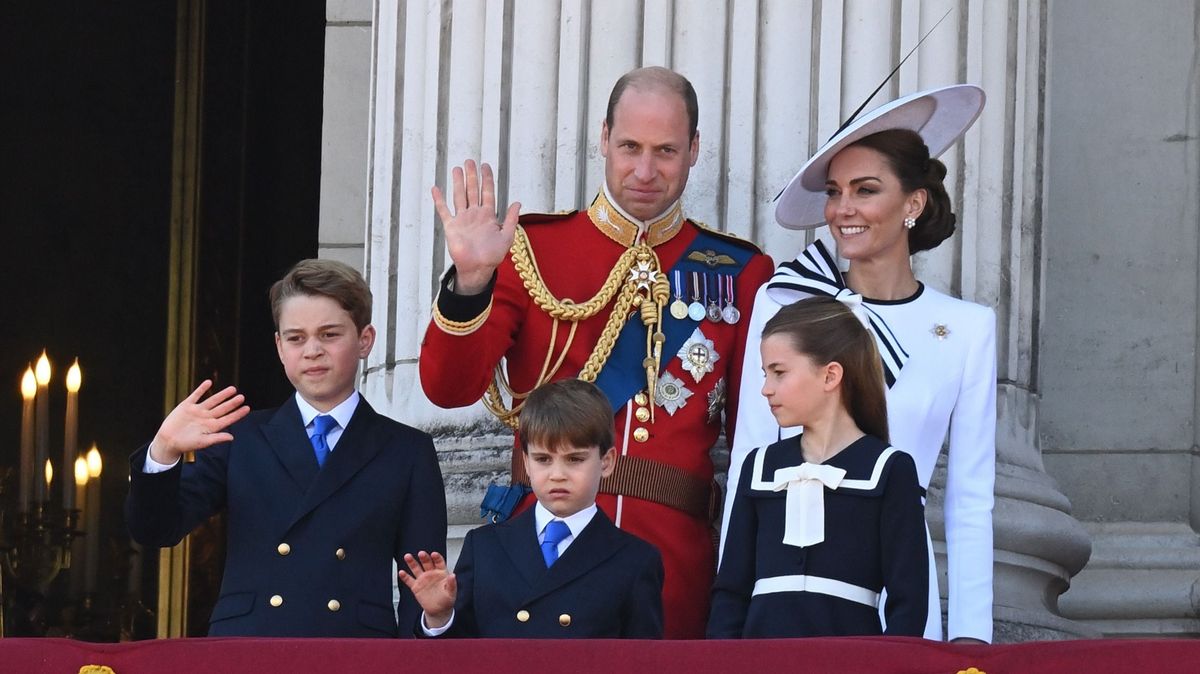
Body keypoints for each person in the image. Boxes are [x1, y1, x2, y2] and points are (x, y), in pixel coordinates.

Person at [419, 66, 774, 638]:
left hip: (673, 563)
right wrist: (470, 281)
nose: (644, 170)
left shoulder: (740, 272)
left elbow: (756, 436)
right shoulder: (532, 249)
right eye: (630, 146)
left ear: (694, 151)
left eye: (666, 151)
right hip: (539, 553)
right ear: (603, 138)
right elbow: (448, 388)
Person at [725, 84, 995, 642]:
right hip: (781, 587)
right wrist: (730, 624)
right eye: (834, 191)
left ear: (912, 205)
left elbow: (970, 497)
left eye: (865, 190)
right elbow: (752, 457)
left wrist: (971, 634)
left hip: (895, 583)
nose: (842, 209)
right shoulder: (787, 302)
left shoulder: (967, 329)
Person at [126, 259, 447, 637]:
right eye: (296, 338)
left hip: (354, 653)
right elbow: (155, 530)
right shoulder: (241, 437)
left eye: (329, 335)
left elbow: (423, 583)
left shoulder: (406, 451)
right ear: (279, 347)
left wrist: (435, 622)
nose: (312, 350)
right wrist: (163, 450)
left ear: (365, 340)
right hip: (250, 649)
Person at [708, 296, 928, 638]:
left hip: (853, 661)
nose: (766, 389)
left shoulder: (889, 469)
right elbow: (731, 591)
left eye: (779, 373)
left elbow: (909, 602)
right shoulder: (760, 466)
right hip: (759, 660)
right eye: (765, 374)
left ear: (830, 376)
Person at [400, 379, 664, 638]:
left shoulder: (635, 560)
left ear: (606, 462)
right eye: (543, 459)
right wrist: (439, 617)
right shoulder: (484, 547)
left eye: (574, 459)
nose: (557, 474)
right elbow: (458, 657)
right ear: (526, 462)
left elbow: (641, 661)